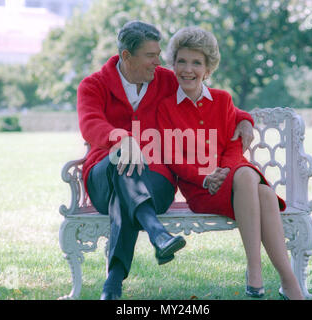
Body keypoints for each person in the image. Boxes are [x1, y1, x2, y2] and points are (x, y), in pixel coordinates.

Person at [76, 21, 252, 300]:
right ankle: (158, 233)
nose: (159, 62)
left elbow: (205, 97)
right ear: (126, 57)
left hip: (154, 181)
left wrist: (243, 118)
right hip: (104, 178)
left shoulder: (165, 80)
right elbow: (90, 124)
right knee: (122, 159)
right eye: (150, 55)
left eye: (158, 54)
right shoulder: (93, 85)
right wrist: (121, 139)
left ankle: (113, 282)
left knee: (127, 188)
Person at [157, 26, 305, 300]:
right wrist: (205, 178)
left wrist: (223, 171)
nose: (187, 69)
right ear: (173, 64)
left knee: (259, 188)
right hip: (201, 189)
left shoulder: (223, 100)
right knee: (259, 188)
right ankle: (270, 276)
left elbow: (234, 148)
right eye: (181, 61)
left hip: (235, 179)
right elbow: (173, 159)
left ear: (208, 68)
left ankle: (281, 281)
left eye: (196, 62)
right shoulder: (166, 107)